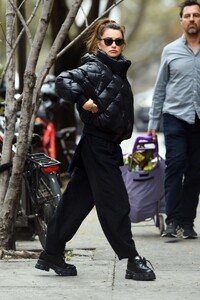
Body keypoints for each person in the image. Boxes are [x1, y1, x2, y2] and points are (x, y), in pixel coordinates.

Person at [35, 18, 156, 281]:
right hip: (98, 144)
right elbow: (63, 81)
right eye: (108, 41)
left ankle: (52, 252)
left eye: (118, 41)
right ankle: (131, 259)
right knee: (115, 203)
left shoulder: (116, 69)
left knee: (75, 202)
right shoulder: (94, 66)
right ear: (99, 43)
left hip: (103, 145)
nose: (114, 45)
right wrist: (82, 100)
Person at [147, 0, 200, 239]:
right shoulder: (170, 50)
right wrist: (152, 122)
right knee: (176, 164)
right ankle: (172, 220)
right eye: (187, 15)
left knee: (196, 171)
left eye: (196, 15)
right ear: (181, 21)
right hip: (175, 116)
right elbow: (160, 88)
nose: (191, 19)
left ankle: (187, 222)